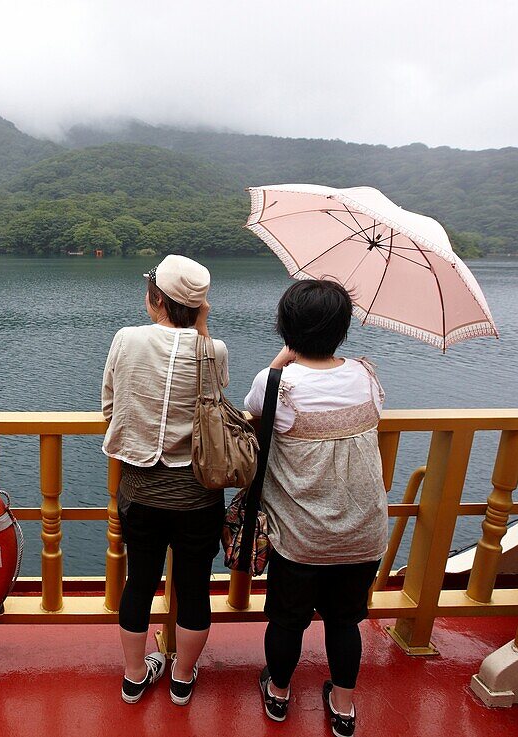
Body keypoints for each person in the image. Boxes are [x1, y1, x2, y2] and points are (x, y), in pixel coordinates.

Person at [242, 279, 388, 737]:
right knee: (346, 622)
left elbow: (253, 412)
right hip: (364, 531)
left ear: (286, 326)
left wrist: (278, 363)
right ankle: (343, 706)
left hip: (302, 534)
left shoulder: (277, 383)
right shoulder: (366, 375)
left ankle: (280, 692)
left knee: (287, 620)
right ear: (342, 329)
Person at [101, 254, 229, 706]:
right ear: (198, 308)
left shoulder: (127, 339)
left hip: (141, 490)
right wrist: (203, 328)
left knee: (139, 582)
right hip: (198, 496)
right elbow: (213, 407)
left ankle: (135, 677)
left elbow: (109, 407)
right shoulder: (212, 349)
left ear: (155, 297)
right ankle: (182, 678)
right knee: (194, 588)